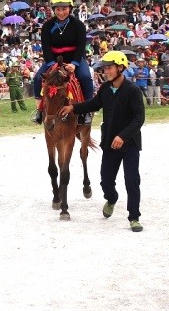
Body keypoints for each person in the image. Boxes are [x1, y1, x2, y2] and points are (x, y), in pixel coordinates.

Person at [61, 51, 146, 232]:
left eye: (109, 68)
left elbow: (139, 119)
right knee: (106, 181)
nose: (106, 71)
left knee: (132, 180)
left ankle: (134, 217)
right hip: (109, 143)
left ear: (120, 67)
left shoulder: (133, 91)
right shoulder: (105, 89)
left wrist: (122, 136)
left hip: (129, 144)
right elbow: (93, 104)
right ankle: (112, 198)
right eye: (105, 68)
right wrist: (73, 108)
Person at [33, 0, 93, 124]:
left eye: (64, 9)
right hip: (53, 59)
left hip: (74, 59)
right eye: (57, 9)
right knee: (38, 78)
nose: (61, 12)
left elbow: (81, 46)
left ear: (70, 8)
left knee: (85, 77)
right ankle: (39, 109)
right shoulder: (47, 26)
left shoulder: (78, 25)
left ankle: (88, 110)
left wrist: (74, 64)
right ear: (53, 10)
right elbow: (46, 47)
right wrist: (52, 64)